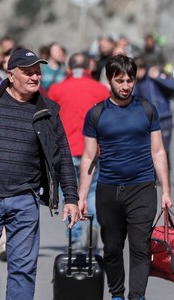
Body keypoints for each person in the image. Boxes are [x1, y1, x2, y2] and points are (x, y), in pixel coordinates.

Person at [0, 48, 80, 300]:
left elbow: (63, 157)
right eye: (28, 72)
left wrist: (71, 197)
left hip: (25, 199)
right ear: (11, 75)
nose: (35, 77)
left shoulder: (48, 111)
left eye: (37, 72)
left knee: (23, 269)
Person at [77, 54, 172, 300]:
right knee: (112, 249)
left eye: (129, 80)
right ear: (109, 80)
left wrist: (166, 191)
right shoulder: (96, 114)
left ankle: (137, 296)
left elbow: (158, 151)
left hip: (142, 189)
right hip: (108, 190)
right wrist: (82, 196)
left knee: (140, 247)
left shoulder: (147, 110)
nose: (125, 85)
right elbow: (88, 157)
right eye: (120, 80)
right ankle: (117, 294)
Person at [48, 52, 110, 249]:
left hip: (64, 151)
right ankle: (92, 223)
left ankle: (74, 236)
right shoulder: (101, 90)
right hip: (92, 150)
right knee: (91, 191)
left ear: (68, 69)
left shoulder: (56, 90)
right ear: (89, 68)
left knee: (70, 194)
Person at [133, 57, 174, 167]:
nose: (137, 73)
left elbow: (172, 86)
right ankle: (153, 177)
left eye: (138, 70)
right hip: (148, 121)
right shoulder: (137, 83)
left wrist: (157, 77)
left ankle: (165, 176)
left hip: (164, 117)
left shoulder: (153, 75)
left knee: (164, 150)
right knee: (150, 150)